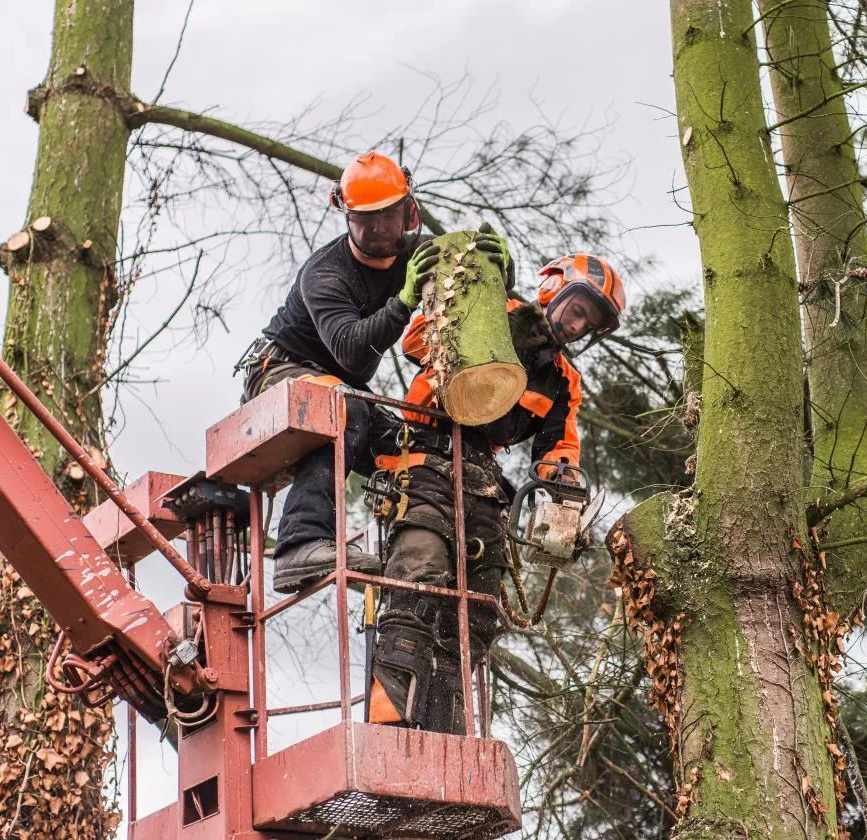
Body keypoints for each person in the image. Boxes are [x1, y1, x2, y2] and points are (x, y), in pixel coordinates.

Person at [367, 252, 627, 733]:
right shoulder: (494, 309)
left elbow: (558, 447)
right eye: (576, 311)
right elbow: (416, 339)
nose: (576, 326)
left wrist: (564, 484)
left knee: (480, 609)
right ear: (552, 291)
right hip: (424, 451)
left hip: (484, 478)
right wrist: (483, 325)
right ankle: (388, 721)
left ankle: (447, 728)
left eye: (587, 324)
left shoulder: (563, 380)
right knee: (419, 572)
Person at [235, 150, 507, 593]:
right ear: (347, 218)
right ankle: (300, 545)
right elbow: (353, 356)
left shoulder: (420, 254)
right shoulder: (326, 273)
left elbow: (471, 291)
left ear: (409, 212)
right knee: (345, 408)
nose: (379, 228)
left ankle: (416, 568)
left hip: (342, 389)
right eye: (366, 220)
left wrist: (497, 270)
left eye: (388, 216)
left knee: (422, 446)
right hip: (280, 370)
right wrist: (403, 301)